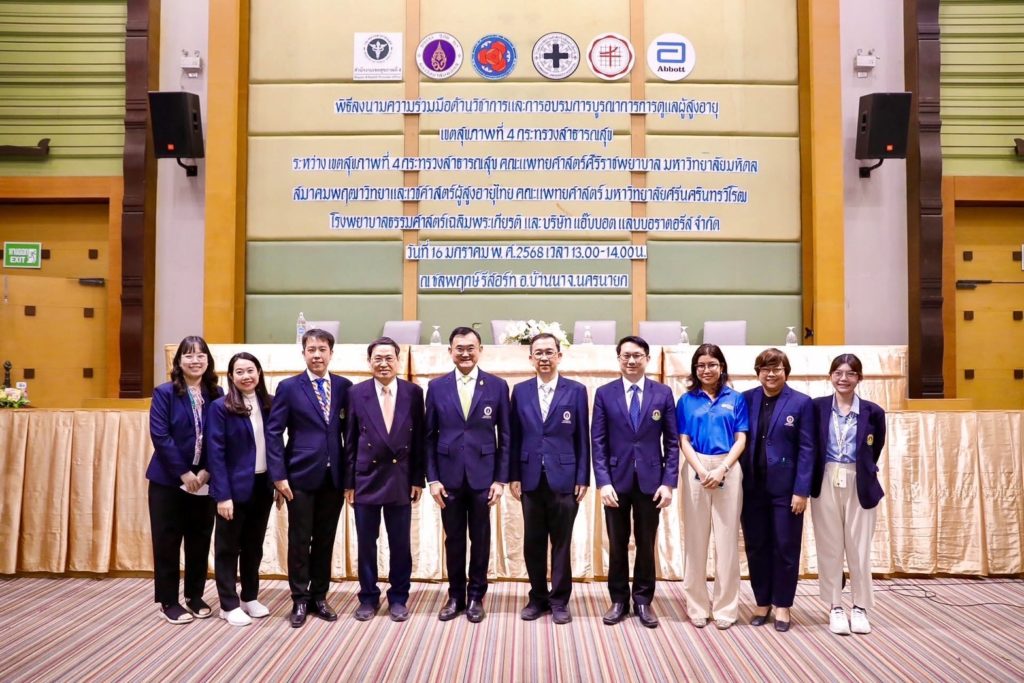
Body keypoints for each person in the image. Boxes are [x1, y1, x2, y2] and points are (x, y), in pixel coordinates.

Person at [591, 335, 679, 629]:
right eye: (626, 356)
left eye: (637, 355)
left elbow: (672, 442)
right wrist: (603, 482)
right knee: (617, 543)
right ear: (618, 359)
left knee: (645, 542)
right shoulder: (605, 394)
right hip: (615, 483)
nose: (631, 360)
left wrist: (668, 482)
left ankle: (643, 599)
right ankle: (618, 599)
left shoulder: (663, 393)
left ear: (647, 359)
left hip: (651, 483)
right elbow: (598, 442)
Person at [267, 328, 352, 628]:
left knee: (325, 539)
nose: (317, 355)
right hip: (299, 477)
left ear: (331, 353)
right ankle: (300, 598)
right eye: (311, 350)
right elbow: (274, 433)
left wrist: (350, 478)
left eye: (322, 350)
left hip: (334, 477)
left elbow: (350, 434)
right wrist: (278, 475)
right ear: (303, 353)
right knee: (300, 539)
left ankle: (320, 596)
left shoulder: (344, 386)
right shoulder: (289, 387)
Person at [425, 326, 510, 623]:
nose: (465, 353)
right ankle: (455, 596)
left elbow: (506, 437)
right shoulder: (436, 387)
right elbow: (429, 437)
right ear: (450, 351)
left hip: (483, 477)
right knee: (454, 539)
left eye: (470, 348)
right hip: (448, 478)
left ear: (480, 350)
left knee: (481, 538)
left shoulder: (497, 386)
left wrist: (500, 479)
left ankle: (476, 596)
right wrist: (432, 479)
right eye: (459, 348)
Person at [509, 333, 590, 625]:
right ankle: (537, 598)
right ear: (531, 358)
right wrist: (514, 475)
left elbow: (582, 437)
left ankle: (559, 600)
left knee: (561, 542)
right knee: (533, 542)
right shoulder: (520, 391)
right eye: (539, 353)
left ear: (559, 355)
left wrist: (583, 476)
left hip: (565, 478)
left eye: (549, 352)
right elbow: (514, 436)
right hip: (529, 477)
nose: (544, 358)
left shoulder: (576, 391)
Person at [344, 337, 425, 623]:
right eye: (377, 358)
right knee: (367, 543)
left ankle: (399, 597)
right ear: (369, 362)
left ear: (398, 361)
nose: (383, 363)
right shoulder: (356, 393)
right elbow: (350, 439)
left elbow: (419, 440)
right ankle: (368, 597)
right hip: (366, 478)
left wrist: (418, 479)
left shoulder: (413, 392)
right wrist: (349, 483)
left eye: (389, 358)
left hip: (401, 478)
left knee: (400, 543)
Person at [146, 335, 222, 624]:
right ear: (178, 362)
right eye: (188, 355)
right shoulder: (164, 393)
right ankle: (168, 601)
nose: (195, 360)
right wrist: (184, 472)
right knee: (167, 540)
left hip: (204, 479)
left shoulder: (216, 393)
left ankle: (194, 595)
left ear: (208, 360)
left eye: (201, 355)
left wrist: (206, 471)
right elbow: (160, 435)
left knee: (199, 539)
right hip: (168, 480)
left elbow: (221, 436)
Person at [811, 353, 886, 636]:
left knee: (859, 548)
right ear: (830, 376)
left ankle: (860, 607)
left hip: (859, 480)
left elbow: (875, 447)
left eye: (850, 373)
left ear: (859, 378)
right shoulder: (817, 407)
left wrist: (861, 470)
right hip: (826, 478)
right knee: (829, 546)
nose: (843, 378)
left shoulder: (873, 411)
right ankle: (835, 607)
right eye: (838, 373)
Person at [740, 348, 815, 632]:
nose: (771, 374)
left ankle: (782, 604)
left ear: (786, 372)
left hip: (787, 490)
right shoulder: (746, 399)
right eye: (765, 369)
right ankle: (762, 602)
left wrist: (801, 490)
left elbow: (808, 449)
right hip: (751, 487)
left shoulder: (801, 403)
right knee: (756, 546)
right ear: (758, 372)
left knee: (785, 546)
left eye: (777, 369)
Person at [677, 343, 748, 630]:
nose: (706, 370)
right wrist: (700, 469)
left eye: (712, 364)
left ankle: (726, 608)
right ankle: (696, 606)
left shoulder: (736, 398)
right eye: (701, 365)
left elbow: (741, 438)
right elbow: (683, 440)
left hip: (727, 466)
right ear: (695, 369)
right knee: (695, 541)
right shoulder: (686, 400)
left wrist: (722, 469)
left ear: (722, 367)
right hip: (696, 465)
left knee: (727, 541)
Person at [206, 352, 275, 627]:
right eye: (240, 372)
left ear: (259, 373)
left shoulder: (269, 403)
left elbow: (275, 445)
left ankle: (249, 597)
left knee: (253, 546)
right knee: (227, 547)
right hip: (232, 489)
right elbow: (215, 453)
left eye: (250, 370)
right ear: (231, 377)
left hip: (262, 485)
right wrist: (222, 495)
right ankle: (228, 604)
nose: (246, 376)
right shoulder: (220, 407)